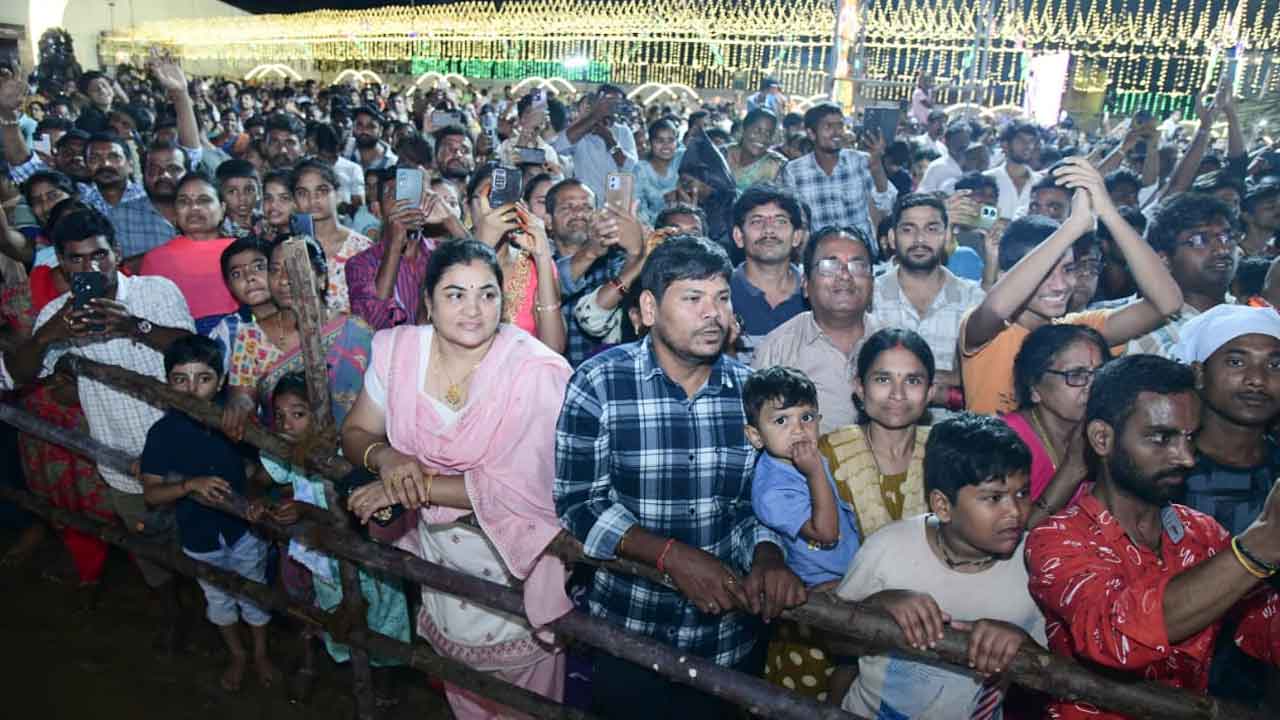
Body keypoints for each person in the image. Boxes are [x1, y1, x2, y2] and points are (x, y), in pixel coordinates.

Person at [556, 235, 806, 719]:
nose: (713, 313)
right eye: (693, 298)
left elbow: (762, 502)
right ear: (649, 308)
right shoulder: (599, 383)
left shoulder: (751, 395)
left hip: (730, 638)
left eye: (722, 297)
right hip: (630, 631)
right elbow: (578, 505)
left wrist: (770, 553)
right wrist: (670, 556)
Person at [343, 239, 574, 718]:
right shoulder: (399, 351)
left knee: (526, 705)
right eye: (455, 294)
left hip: (514, 561)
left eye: (488, 295)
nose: (474, 309)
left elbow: (521, 484)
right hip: (442, 558)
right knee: (463, 694)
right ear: (427, 301)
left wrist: (411, 488)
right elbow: (356, 431)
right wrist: (386, 458)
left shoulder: (534, 370)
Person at [1025, 354, 1280, 720]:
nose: (1186, 458)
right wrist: (1258, 547)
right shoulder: (1058, 539)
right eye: (1162, 438)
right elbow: (1116, 636)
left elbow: (1265, 626)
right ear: (1102, 439)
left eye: (1189, 438)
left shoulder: (1202, 533)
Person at [7, 207, 195, 647]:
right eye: (75, 259)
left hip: (183, 447)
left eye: (99, 256)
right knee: (148, 548)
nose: (89, 268)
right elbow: (18, 374)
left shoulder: (156, 290)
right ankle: (170, 613)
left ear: (118, 253)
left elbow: (193, 351)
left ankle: (225, 620)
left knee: (202, 539)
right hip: (119, 456)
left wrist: (134, 326)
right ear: (60, 262)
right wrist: (47, 336)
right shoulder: (56, 312)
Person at [835, 412, 1047, 719]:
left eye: (1022, 493)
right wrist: (875, 606)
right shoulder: (888, 548)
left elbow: (1056, 676)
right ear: (943, 506)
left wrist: (1024, 648)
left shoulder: (1037, 565)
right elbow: (834, 641)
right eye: (993, 498)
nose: (1014, 511)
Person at [959, 158, 1183, 415]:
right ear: (1009, 274)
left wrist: (1108, 212)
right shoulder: (985, 331)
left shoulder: (1078, 332)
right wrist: (1073, 226)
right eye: (1044, 273)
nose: (1061, 285)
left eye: (1067, 269)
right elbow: (998, 308)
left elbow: (1168, 303)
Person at [256, 372, 409, 701]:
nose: (286, 424)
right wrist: (265, 505)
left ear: (321, 414)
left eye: (298, 414)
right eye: (279, 416)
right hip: (326, 565)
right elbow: (264, 479)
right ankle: (362, 682)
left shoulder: (346, 454)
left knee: (383, 623)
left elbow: (359, 520)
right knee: (339, 618)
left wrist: (305, 511)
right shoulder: (288, 452)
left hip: (368, 561)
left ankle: (385, 688)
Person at [140, 335, 277, 692]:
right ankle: (238, 655)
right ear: (167, 381)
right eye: (180, 379)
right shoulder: (162, 433)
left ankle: (261, 653)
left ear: (221, 380)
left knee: (255, 592)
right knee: (218, 600)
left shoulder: (234, 424)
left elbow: (263, 471)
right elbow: (152, 494)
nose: (192, 388)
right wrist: (189, 485)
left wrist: (256, 490)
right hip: (197, 535)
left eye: (204, 378)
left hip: (244, 530)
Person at [745, 365, 861, 700]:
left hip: (848, 577)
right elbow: (825, 533)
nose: (799, 430)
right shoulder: (771, 488)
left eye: (807, 417)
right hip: (815, 592)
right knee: (809, 686)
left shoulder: (811, 456)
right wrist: (813, 473)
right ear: (755, 435)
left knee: (853, 675)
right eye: (781, 420)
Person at [222, 237, 373, 437]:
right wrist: (239, 406)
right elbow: (243, 397)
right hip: (282, 452)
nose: (283, 279)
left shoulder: (354, 330)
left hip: (351, 447)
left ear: (320, 277)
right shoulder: (252, 337)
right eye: (275, 270)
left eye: (294, 267)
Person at [754, 226, 877, 433]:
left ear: (872, 282)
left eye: (857, 266)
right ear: (805, 283)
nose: (845, 276)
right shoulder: (777, 348)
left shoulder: (896, 342)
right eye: (830, 266)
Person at [870, 193, 984, 408]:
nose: (920, 240)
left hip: (953, 428)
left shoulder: (972, 298)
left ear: (947, 236)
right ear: (893, 238)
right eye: (908, 229)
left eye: (932, 229)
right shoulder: (869, 295)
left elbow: (985, 374)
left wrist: (961, 378)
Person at [820, 328, 934, 538]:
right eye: (883, 379)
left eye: (912, 381)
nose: (897, 394)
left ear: (930, 393)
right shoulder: (828, 453)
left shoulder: (944, 452)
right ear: (860, 388)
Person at [1004, 324, 1111, 504]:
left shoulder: (1102, 432)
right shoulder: (1005, 443)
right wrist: (1073, 468)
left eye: (1099, 373)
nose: (1092, 386)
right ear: (1034, 386)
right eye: (1076, 374)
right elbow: (1019, 531)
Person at [466, 164, 568, 351]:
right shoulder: (446, 262)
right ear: (468, 209)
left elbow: (554, 348)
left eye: (502, 198)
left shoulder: (534, 263)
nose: (494, 206)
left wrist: (543, 257)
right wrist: (482, 248)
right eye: (486, 197)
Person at [1127, 193, 1238, 358]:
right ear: (1164, 260)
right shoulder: (1149, 335)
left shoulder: (1251, 313)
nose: (1223, 249)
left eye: (1226, 237)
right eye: (1199, 240)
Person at [780, 102, 895, 257]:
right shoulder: (794, 171)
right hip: (820, 256)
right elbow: (792, 219)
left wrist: (876, 165)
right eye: (828, 127)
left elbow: (886, 202)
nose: (836, 132)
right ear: (811, 134)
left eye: (840, 126)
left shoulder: (861, 161)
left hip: (861, 252)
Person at [138, 172, 239, 329]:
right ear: (175, 212)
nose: (194, 208)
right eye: (184, 202)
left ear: (223, 208)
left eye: (204, 200)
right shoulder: (156, 260)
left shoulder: (242, 251)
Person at [729, 185, 807, 363]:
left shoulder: (816, 294)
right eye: (757, 221)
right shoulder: (721, 294)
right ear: (738, 236)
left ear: (797, 237)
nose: (769, 230)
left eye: (780, 221)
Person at [291, 159, 374, 315]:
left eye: (321, 191)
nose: (312, 200)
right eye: (302, 193)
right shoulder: (289, 249)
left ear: (338, 195)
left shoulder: (362, 248)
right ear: (294, 201)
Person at [553, 84, 637, 202]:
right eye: (606, 102)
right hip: (585, 201)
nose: (610, 107)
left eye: (616, 103)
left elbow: (630, 166)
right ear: (596, 103)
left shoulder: (623, 131)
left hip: (614, 203)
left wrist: (609, 140)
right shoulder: (580, 130)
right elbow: (559, 146)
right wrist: (594, 117)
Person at [983, 123, 1042, 220]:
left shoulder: (1040, 183)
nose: (1028, 146)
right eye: (1021, 140)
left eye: (1031, 141)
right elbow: (982, 219)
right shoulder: (988, 179)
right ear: (1005, 145)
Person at [724, 109, 788, 190]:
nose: (763, 137)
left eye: (769, 134)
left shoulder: (778, 165)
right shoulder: (723, 154)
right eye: (757, 131)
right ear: (744, 129)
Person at [635, 119, 683, 225]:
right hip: (653, 228)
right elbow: (638, 207)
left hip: (687, 224)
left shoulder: (683, 158)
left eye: (671, 140)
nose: (666, 145)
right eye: (660, 140)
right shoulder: (641, 169)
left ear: (677, 142)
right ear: (650, 143)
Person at [917, 121, 969, 193]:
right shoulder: (938, 166)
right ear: (947, 142)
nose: (963, 143)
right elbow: (925, 192)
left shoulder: (971, 164)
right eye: (958, 140)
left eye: (965, 139)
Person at [215, 158, 261, 236]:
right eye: (232, 192)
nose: (242, 198)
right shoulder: (215, 230)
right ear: (220, 195)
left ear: (259, 193)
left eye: (249, 190)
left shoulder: (268, 223)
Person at [1241, 180, 1280, 259]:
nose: (1278, 211)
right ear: (1247, 217)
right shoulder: (1233, 252)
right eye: (1271, 207)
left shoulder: (1276, 251)